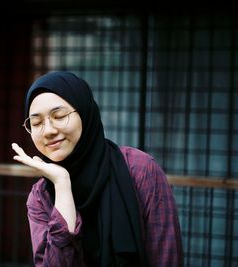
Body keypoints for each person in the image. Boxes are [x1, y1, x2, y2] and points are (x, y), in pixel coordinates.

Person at [11, 71, 183, 266]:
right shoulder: (40, 197)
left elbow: (166, 257)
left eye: (59, 116)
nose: (49, 130)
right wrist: (62, 185)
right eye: (37, 122)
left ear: (85, 113)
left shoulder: (139, 169)